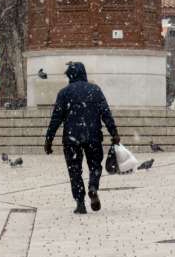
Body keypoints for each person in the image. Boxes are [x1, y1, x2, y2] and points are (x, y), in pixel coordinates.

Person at [44, 62, 119, 215]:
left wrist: (49, 139)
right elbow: (106, 113)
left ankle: (80, 203)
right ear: (84, 73)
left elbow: (56, 118)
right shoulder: (95, 90)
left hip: (72, 138)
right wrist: (114, 133)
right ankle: (93, 186)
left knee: (74, 170)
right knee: (95, 165)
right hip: (93, 135)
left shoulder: (64, 93)